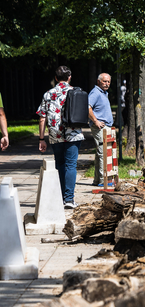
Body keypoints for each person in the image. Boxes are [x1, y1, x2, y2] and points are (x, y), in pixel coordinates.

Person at [37, 66, 84, 209]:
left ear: (56, 78)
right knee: (71, 165)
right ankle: (69, 199)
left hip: (55, 135)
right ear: (70, 77)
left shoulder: (48, 94)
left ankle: (61, 197)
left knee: (60, 164)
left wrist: (41, 139)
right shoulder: (76, 92)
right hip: (73, 135)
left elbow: (42, 118)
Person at [88, 73, 114, 186]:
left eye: (108, 82)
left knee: (100, 153)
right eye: (104, 81)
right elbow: (87, 107)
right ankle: (104, 181)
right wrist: (95, 121)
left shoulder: (103, 93)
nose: (107, 84)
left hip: (105, 127)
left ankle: (97, 180)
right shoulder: (95, 93)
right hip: (99, 127)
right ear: (98, 81)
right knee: (104, 152)